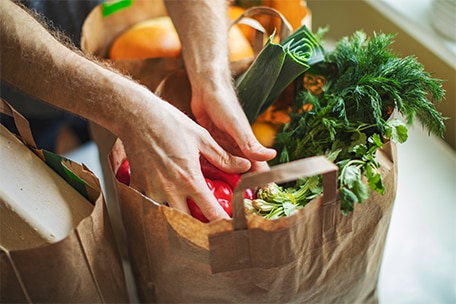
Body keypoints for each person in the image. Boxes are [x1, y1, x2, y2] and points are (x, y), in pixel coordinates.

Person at [0, 0, 276, 222]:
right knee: (32, 205)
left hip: (111, 57)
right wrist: (132, 112)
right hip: (16, 88)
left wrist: (213, 80)